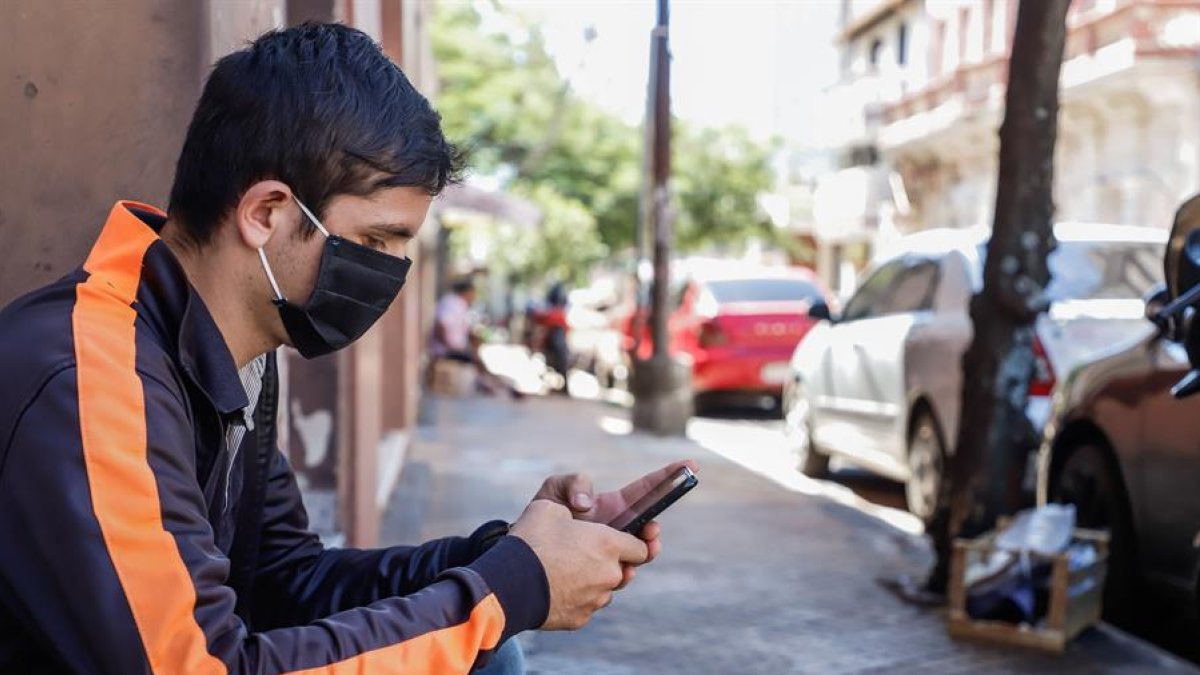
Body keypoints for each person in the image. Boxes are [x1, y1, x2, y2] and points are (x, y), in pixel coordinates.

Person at [0, 23, 693, 674]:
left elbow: (285, 581)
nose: (390, 272)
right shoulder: (88, 376)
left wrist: (503, 557)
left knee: (489, 645)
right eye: (374, 242)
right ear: (267, 213)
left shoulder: (234, 350)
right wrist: (504, 591)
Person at [431, 277, 523, 398]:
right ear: (467, 292)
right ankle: (504, 387)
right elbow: (441, 325)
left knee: (477, 360)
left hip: (453, 348)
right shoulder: (452, 304)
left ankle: (498, 386)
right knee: (478, 362)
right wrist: (450, 346)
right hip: (447, 350)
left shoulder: (458, 304)